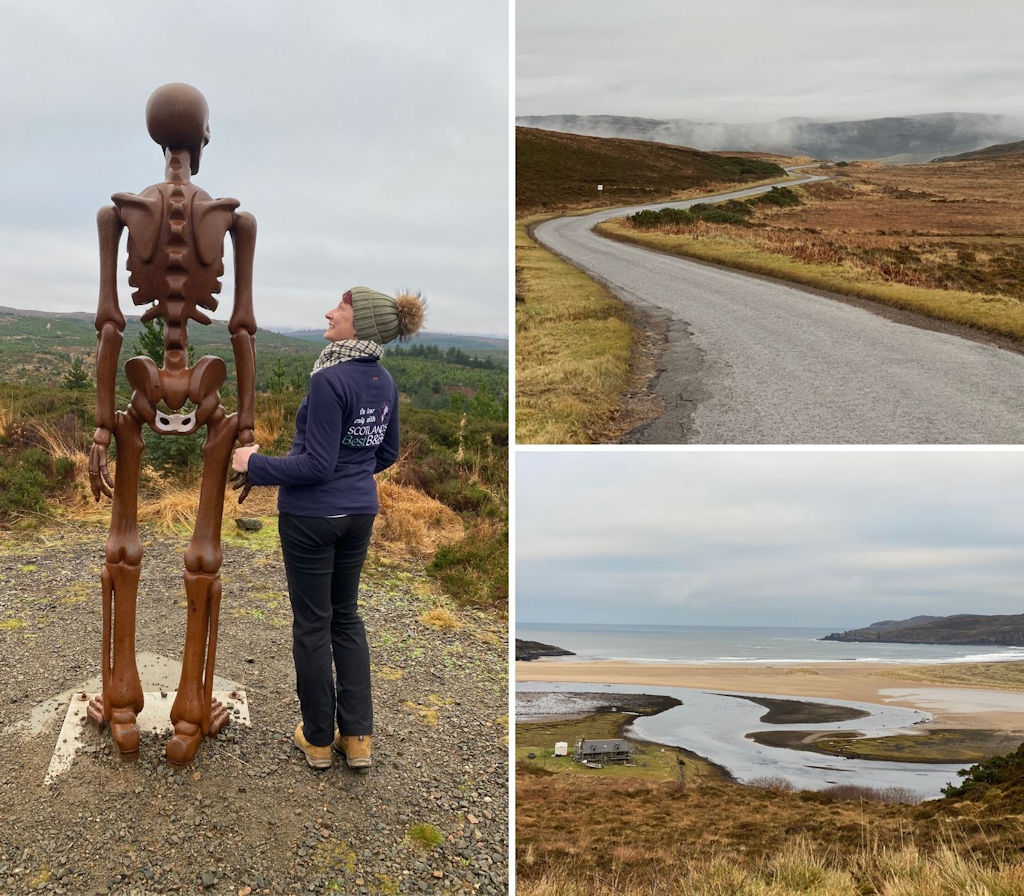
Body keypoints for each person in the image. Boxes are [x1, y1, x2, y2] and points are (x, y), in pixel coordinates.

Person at [231, 286, 424, 770]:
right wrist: (352, 478)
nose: (330, 312)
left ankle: (318, 739)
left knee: (313, 624)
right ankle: (357, 738)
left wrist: (254, 465)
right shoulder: (384, 380)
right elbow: (387, 453)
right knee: (347, 618)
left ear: (362, 325)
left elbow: (316, 465)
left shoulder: (329, 380)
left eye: (342, 308)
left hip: (312, 519)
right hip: (360, 513)